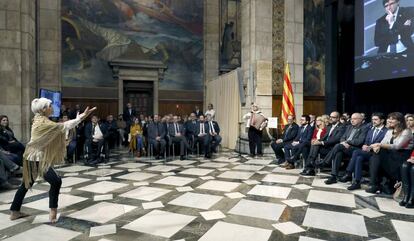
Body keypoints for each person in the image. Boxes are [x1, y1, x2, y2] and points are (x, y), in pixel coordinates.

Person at [9, 98, 95, 222]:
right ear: (43, 109)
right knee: (56, 182)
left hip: (30, 157)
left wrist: (80, 116)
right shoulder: (43, 123)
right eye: (50, 105)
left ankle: (14, 211)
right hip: (37, 158)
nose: (52, 107)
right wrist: (81, 117)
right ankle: (52, 212)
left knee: (27, 184)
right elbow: (64, 126)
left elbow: (61, 126)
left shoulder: (39, 120)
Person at [367, 112, 413, 194]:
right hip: (392, 154)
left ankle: (376, 184)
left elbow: (397, 146)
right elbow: (383, 142)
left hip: (402, 155)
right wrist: (378, 146)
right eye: (389, 118)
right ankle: (376, 184)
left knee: (377, 156)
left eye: (392, 119)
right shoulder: (389, 131)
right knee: (376, 155)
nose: (389, 120)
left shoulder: (407, 131)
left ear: (399, 121)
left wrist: (380, 145)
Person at [343, 113, 388, 190]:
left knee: (356, 153)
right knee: (359, 158)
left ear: (382, 120)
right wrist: (365, 145)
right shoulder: (371, 130)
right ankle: (357, 182)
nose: (373, 121)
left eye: (376, 119)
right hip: (368, 152)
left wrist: (369, 147)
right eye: (373, 119)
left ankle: (349, 172)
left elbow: (383, 144)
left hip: (378, 153)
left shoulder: (386, 131)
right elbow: (366, 141)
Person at [324, 113, 369, 185]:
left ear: (360, 120)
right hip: (345, 147)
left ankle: (326, 162)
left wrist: (347, 142)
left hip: (355, 149)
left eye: (355, 119)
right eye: (351, 119)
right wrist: (344, 143)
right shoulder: (349, 127)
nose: (352, 120)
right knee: (338, 153)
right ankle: (333, 176)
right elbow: (342, 137)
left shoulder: (364, 128)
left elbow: (359, 141)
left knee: (338, 146)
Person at [300, 111, 345, 176]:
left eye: (333, 117)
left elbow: (336, 139)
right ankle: (309, 168)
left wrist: (321, 142)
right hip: (326, 146)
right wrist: (317, 140)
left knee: (316, 145)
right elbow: (324, 137)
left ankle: (310, 168)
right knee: (314, 144)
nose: (331, 118)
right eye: (330, 117)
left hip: (332, 148)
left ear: (338, 118)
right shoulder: (330, 126)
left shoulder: (342, 127)